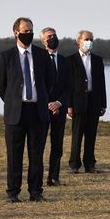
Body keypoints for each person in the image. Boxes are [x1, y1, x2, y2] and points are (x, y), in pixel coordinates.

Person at [0, 17, 54, 202]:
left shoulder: (43, 55)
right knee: (14, 155)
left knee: (36, 154)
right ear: (16, 32)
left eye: (31, 31)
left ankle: (36, 192)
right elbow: (0, 85)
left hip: (38, 112)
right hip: (15, 113)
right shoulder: (6, 56)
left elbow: (51, 82)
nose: (28, 34)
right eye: (25, 31)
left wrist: (41, 98)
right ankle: (13, 192)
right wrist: (13, 101)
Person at [68, 30, 107, 173]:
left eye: (91, 39)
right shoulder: (70, 60)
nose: (88, 41)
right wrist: (69, 105)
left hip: (94, 101)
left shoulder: (97, 60)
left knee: (91, 135)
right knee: (77, 135)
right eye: (86, 39)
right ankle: (74, 164)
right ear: (78, 41)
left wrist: (103, 103)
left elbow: (102, 83)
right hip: (78, 102)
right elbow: (68, 84)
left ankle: (90, 164)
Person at [39, 27, 73, 186]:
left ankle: (54, 177)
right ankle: (37, 177)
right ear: (42, 41)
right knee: (38, 145)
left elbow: (69, 86)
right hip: (41, 109)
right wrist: (47, 103)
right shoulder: (37, 59)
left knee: (57, 145)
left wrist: (59, 103)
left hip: (60, 109)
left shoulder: (65, 61)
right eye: (49, 36)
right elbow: (37, 85)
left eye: (54, 35)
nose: (53, 38)